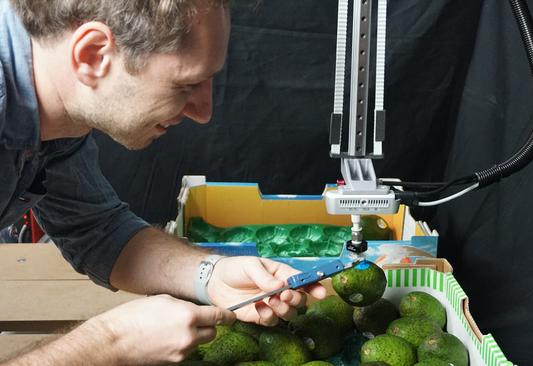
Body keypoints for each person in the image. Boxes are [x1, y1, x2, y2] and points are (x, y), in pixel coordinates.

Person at [0, 0, 327, 364]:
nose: (203, 113)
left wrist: (210, 274)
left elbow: (100, 231)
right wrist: (112, 343)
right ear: (92, 55)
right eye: (187, 84)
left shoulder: (59, 103)